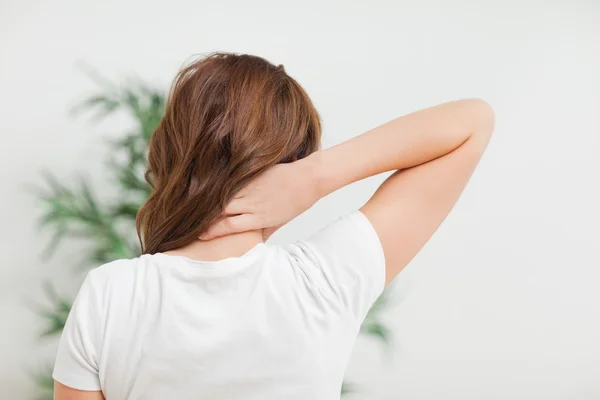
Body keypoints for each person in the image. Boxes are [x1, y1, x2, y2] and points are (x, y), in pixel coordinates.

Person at [53, 52, 495, 400]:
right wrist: (316, 177)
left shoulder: (109, 294)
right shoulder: (326, 279)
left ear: (169, 151)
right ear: (289, 162)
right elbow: (473, 122)